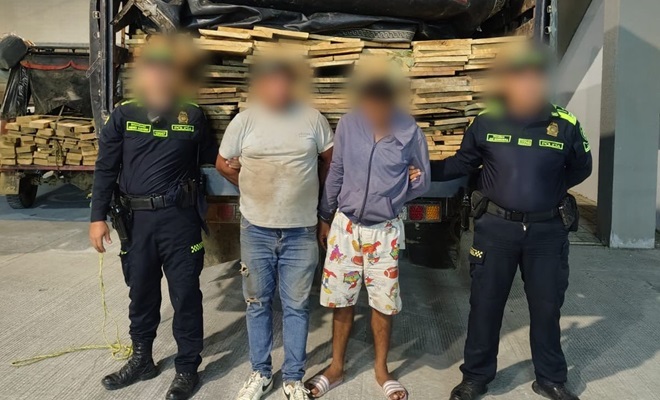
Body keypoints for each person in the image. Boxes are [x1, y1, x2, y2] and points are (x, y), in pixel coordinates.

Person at [432, 44, 592, 400]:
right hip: (496, 230)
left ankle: (550, 378)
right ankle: (476, 377)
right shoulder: (487, 120)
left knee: (547, 307)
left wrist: (546, 190)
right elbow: (462, 164)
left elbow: (582, 168)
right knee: (485, 305)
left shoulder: (565, 124)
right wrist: (421, 169)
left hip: (547, 233)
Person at [89, 36, 218, 400]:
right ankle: (142, 359)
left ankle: (187, 367)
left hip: (180, 221)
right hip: (137, 222)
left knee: (185, 294)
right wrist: (97, 217)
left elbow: (214, 159)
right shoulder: (124, 115)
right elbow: (105, 168)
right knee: (141, 292)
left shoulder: (192, 115)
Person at [215, 60, 334, 400]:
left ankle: (293, 378)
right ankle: (261, 373)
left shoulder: (312, 119)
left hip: (301, 230)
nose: (279, 90)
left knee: (297, 305)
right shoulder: (245, 121)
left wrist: (320, 204)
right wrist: (250, 186)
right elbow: (222, 164)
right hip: (256, 230)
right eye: (272, 83)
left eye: (285, 83)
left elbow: (330, 160)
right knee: (257, 302)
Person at [306, 76, 430, 400]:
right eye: (369, 106)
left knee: (383, 304)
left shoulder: (409, 131)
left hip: (384, 231)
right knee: (341, 300)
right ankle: (336, 367)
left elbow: (423, 179)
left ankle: (381, 370)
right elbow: (337, 170)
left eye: (381, 107)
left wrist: (395, 197)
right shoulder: (349, 125)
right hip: (346, 227)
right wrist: (325, 216)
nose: (374, 113)